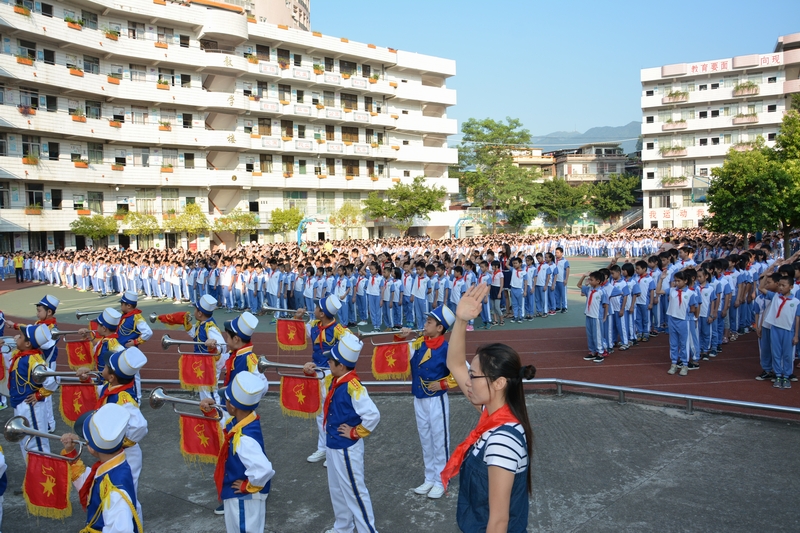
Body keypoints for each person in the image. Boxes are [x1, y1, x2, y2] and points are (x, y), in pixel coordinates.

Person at [443, 283, 535, 533]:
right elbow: (454, 363)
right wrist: (460, 321)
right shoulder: (491, 417)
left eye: (474, 376)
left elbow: (498, 522)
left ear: (499, 383)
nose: (468, 381)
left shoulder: (502, 441)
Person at [315, 332, 380, 533]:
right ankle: (343, 526)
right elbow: (321, 379)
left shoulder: (353, 386)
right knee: (337, 489)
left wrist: (355, 432)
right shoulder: (337, 379)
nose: (328, 362)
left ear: (341, 366)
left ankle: (368, 530)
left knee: (354, 491)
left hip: (346, 448)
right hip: (334, 444)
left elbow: (373, 415)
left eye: (331, 361)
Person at [200, 371, 275, 533]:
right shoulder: (246, 419)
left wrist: (247, 486)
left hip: (243, 498)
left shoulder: (244, 438)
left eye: (226, 400)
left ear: (232, 407)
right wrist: (211, 411)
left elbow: (264, 469)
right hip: (241, 497)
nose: (224, 403)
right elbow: (226, 423)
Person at [396, 305, 457, 500]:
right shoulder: (417, 343)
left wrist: (444, 384)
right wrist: (401, 337)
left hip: (436, 400)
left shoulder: (448, 348)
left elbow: (463, 371)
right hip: (419, 399)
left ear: (440, 328)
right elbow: (398, 355)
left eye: (429, 322)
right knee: (425, 439)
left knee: (440, 440)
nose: (425, 324)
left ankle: (442, 480)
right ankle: (429, 477)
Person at [60, 403, 142, 533]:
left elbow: (123, 529)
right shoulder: (112, 465)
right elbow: (91, 483)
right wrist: (71, 454)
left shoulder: (114, 489)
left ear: (91, 448)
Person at [78, 347, 149, 498]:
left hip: (126, 454)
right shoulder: (112, 387)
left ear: (111, 377)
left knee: (126, 495)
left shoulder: (124, 398)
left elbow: (140, 426)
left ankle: (132, 520)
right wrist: (87, 379)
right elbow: (101, 393)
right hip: (117, 452)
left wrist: (114, 441)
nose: (101, 369)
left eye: (105, 367)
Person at [296, 295, 347, 465]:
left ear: (322, 313)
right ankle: (323, 448)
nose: (314, 309)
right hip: (317, 373)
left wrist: (338, 366)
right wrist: (297, 317)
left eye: (317, 307)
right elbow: (298, 333)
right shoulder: (314, 325)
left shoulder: (339, 329)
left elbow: (353, 346)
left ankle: (333, 449)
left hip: (331, 375)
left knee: (332, 411)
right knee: (320, 412)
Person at [189, 295, 228, 403]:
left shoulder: (210, 327)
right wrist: (187, 325)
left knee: (209, 392)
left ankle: (217, 416)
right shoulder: (201, 324)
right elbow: (197, 336)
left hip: (209, 364)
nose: (194, 312)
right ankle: (209, 415)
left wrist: (214, 344)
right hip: (202, 363)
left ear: (200, 313)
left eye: (195, 309)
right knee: (204, 390)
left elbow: (222, 345)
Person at [116, 291, 153, 399]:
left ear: (128, 305)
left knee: (134, 375)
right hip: (120, 350)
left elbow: (148, 332)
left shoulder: (136, 317)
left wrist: (136, 342)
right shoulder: (125, 316)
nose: (120, 306)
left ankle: (138, 398)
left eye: (122, 304)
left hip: (129, 351)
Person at [78, 307, 123, 378]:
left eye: (98, 325)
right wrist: (85, 338)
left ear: (104, 329)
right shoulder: (103, 341)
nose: (96, 327)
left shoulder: (114, 345)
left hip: (108, 383)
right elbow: (91, 353)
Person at [577, 271, 609, 363]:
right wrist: (583, 276)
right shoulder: (589, 289)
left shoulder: (602, 292)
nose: (589, 281)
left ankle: (600, 352)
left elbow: (606, 305)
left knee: (597, 335)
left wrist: (605, 316)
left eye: (591, 280)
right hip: (589, 315)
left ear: (598, 281)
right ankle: (592, 351)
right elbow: (579, 285)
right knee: (590, 334)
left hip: (596, 317)